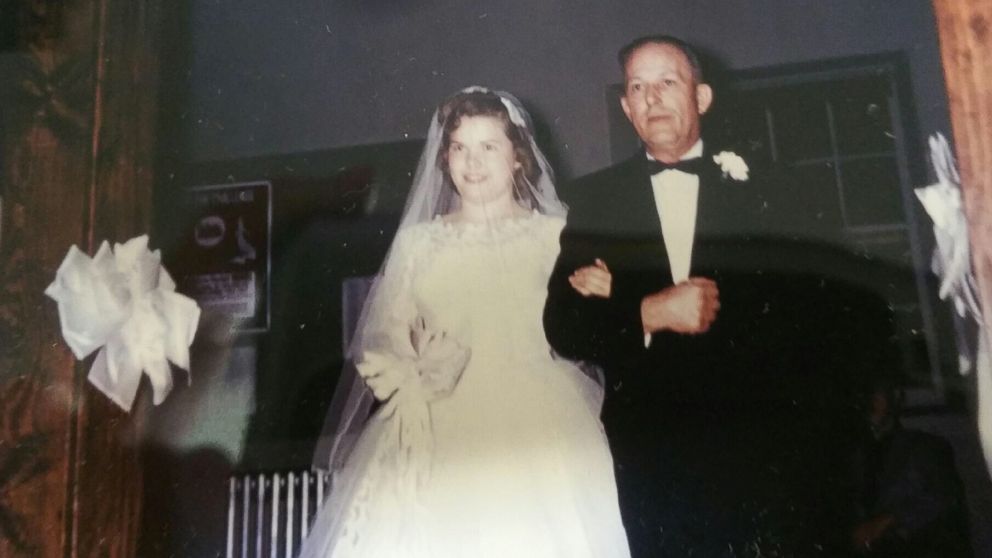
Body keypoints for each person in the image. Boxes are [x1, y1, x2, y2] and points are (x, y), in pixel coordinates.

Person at [544, 35, 894, 556]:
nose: (652, 98)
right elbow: (564, 324)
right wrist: (646, 311)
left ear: (702, 97)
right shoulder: (596, 200)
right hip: (652, 457)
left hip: (764, 455)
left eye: (668, 82)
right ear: (625, 106)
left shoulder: (774, 188)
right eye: (638, 87)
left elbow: (840, 318)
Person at [298, 87, 631, 558]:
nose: (471, 163)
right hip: (435, 422)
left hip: (538, 419)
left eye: (488, 147)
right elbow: (384, 330)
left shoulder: (555, 235)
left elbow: (586, 325)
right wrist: (409, 362)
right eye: (459, 148)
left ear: (517, 156)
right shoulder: (419, 243)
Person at [848, 377, 972, 557]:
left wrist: (887, 521)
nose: (871, 404)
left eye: (877, 396)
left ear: (895, 399)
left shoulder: (925, 445)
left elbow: (946, 497)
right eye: (867, 397)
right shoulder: (859, 455)